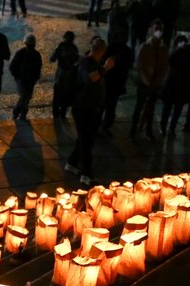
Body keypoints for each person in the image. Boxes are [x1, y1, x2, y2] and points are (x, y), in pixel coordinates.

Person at [64, 37, 114, 186]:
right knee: (87, 140)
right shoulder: (86, 63)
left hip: (91, 108)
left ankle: (71, 163)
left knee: (84, 138)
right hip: (83, 108)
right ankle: (87, 174)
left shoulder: (93, 63)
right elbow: (90, 78)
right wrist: (106, 68)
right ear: (102, 51)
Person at [130, 18, 168, 141]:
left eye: (160, 29)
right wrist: (147, 81)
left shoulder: (163, 49)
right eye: (156, 29)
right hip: (144, 83)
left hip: (155, 84)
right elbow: (140, 66)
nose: (158, 31)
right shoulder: (145, 46)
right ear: (151, 29)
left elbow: (164, 67)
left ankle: (148, 131)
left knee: (151, 109)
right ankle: (133, 131)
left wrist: (157, 82)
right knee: (139, 107)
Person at [159, 33, 190, 137]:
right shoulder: (174, 53)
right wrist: (179, 50)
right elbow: (171, 61)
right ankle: (163, 127)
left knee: (177, 110)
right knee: (167, 108)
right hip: (172, 84)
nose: (183, 44)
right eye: (180, 42)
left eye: (184, 42)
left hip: (183, 85)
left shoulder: (189, 53)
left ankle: (172, 128)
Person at [101, 31, 134, 135]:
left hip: (116, 82)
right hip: (108, 81)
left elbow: (128, 65)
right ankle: (100, 125)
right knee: (103, 105)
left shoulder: (127, 51)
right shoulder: (111, 48)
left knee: (111, 106)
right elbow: (103, 60)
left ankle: (106, 125)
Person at [10, 34, 42, 121]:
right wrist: (17, 77)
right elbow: (12, 66)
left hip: (28, 79)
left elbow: (12, 66)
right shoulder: (34, 54)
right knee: (25, 96)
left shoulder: (22, 53)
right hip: (23, 79)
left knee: (25, 97)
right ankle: (19, 113)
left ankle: (19, 114)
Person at [50, 31, 80, 119]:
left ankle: (56, 115)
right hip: (69, 75)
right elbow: (77, 59)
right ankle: (62, 114)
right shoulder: (73, 48)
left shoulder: (61, 46)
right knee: (65, 95)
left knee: (57, 94)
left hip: (61, 74)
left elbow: (52, 58)